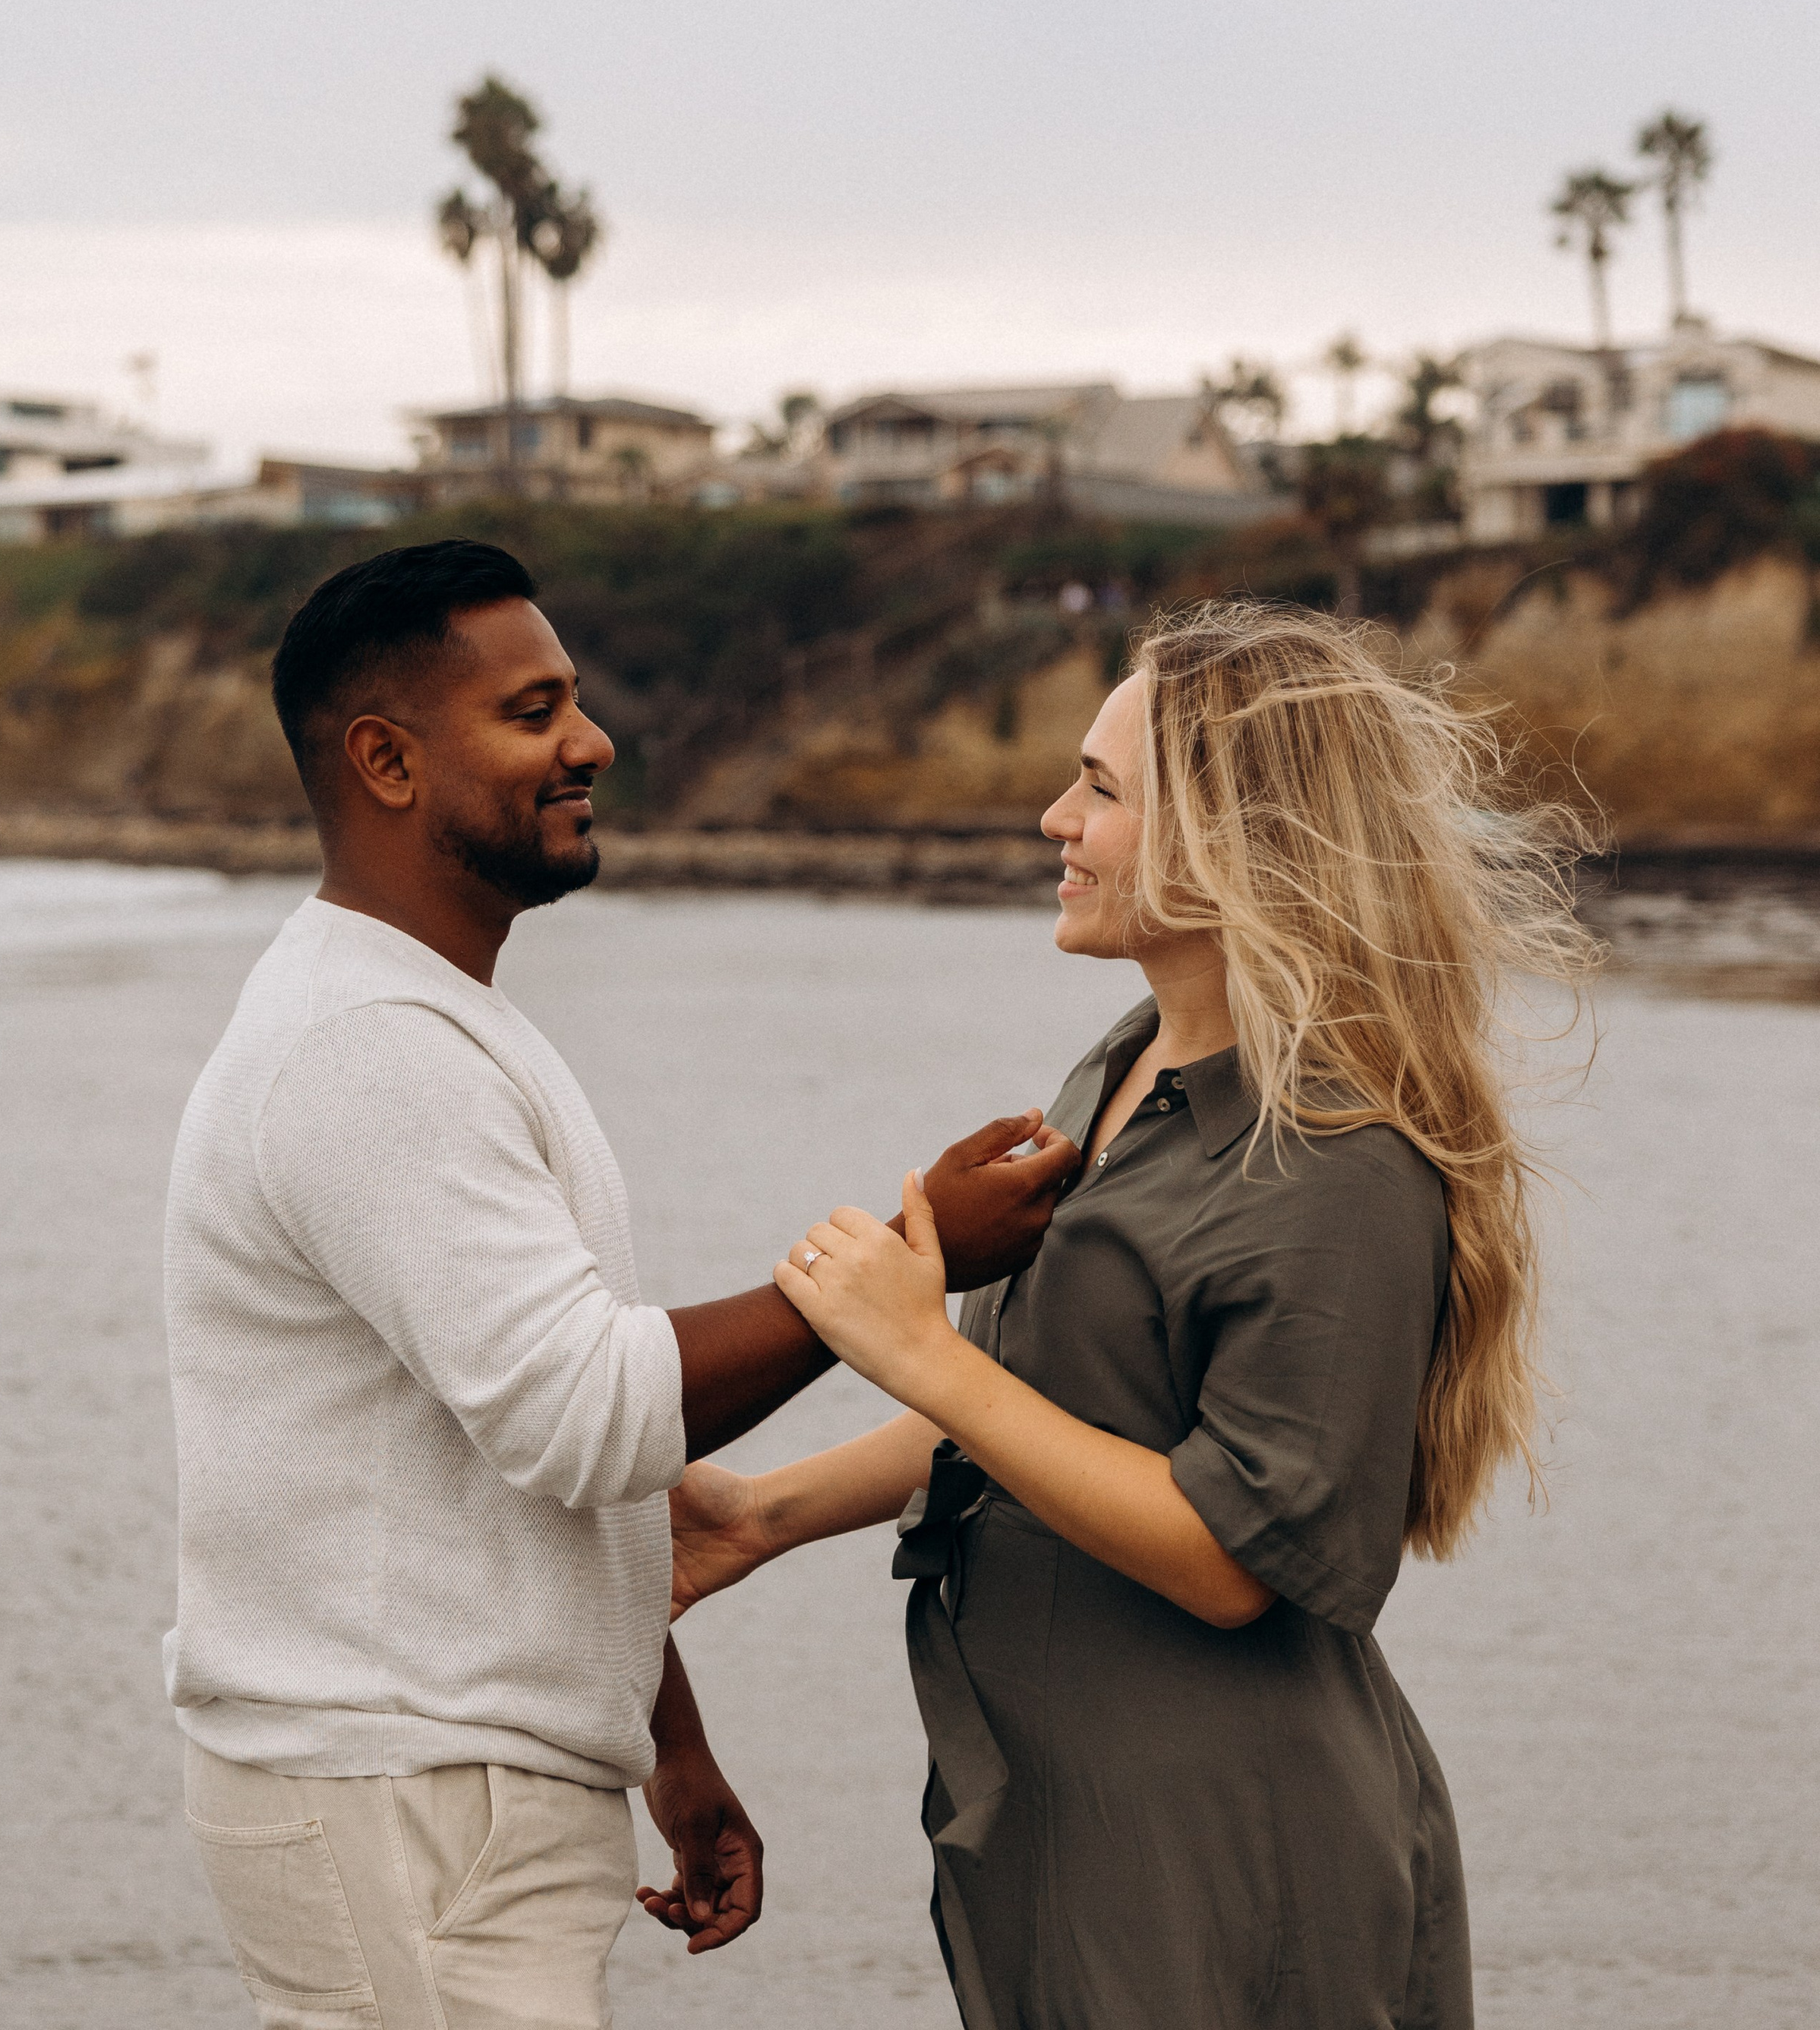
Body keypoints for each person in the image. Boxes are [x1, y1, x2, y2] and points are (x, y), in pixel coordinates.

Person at [163, 539, 1077, 2030]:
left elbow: (515, 1435)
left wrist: (665, 1739)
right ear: (386, 761)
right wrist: (916, 1257)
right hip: (395, 1790)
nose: (592, 743)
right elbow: (582, 1418)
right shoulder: (365, 1052)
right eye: (533, 714)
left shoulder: (436, 1021)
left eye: (573, 702)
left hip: (451, 1778)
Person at [669, 598, 1594, 2030]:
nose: (1054, 819)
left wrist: (912, 1346)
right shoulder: (1121, 1068)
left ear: (1239, 836)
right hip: (1053, 1809)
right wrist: (763, 1517)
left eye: (1100, 790)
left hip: (1228, 1842)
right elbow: (1052, 1415)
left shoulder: (1340, 1159)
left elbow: (1238, 1557)